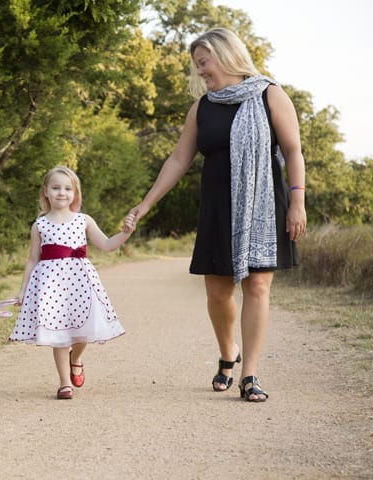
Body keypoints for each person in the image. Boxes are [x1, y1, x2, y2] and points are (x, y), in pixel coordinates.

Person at [126, 28, 306, 402]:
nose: (201, 72)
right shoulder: (202, 107)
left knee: (257, 286)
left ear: (226, 55)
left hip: (262, 205)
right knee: (217, 292)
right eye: (197, 66)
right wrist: (145, 205)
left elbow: (293, 151)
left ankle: (250, 373)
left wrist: (297, 201)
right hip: (217, 208)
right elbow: (178, 159)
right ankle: (229, 352)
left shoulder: (270, 94)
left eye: (203, 63)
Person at [9, 166, 137, 400]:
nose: (61, 193)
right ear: (45, 191)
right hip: (50, 285)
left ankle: (75, 358)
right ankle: (64, 383)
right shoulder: (40, 225)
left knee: (80, 333)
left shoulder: (83, 220)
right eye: (56, 188)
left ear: (75, 193)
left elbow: (107, 245)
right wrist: (23, 290)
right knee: (59, 334)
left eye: (67, 188)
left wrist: (126, 233)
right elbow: (32, 260)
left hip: (80, 282)